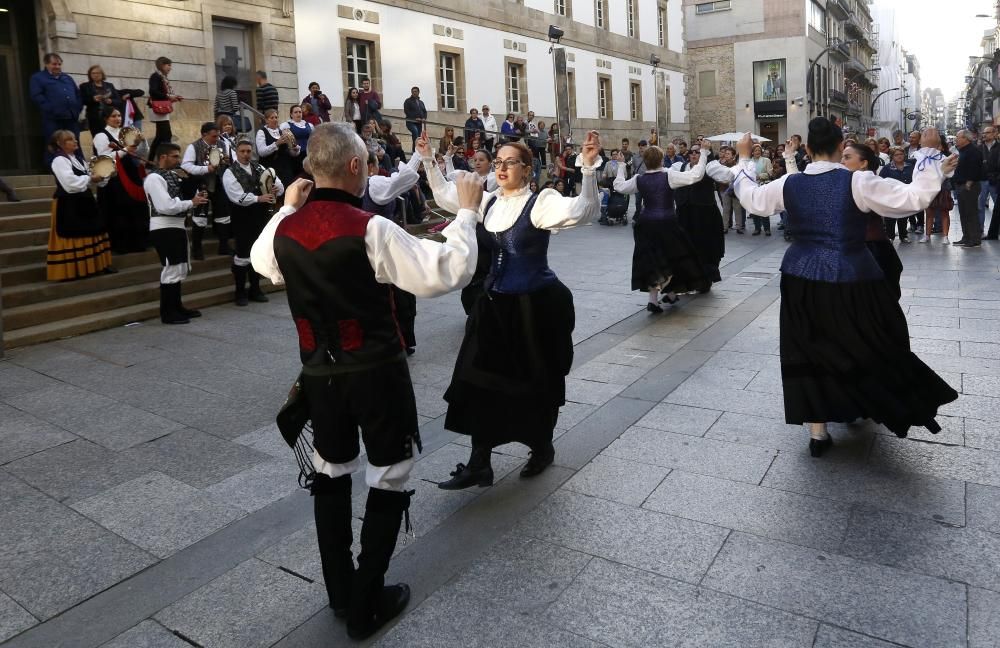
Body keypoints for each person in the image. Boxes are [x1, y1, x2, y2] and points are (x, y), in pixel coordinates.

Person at [249, 122, 479, 640]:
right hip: (375, 372)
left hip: (319, 376)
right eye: (366, 162)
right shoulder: (369, 228)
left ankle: (340, 589)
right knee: (389, 472)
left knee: (330, 473)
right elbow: (444, 271)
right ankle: (366, 601)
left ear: (311, 169)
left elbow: (264, 261)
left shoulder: (285, 230)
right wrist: (465, 213)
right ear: (355, 166)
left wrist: (288, 205)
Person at [732, 120, 959, 454]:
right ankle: (863, 401)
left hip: (800, 277)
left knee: (808, 347)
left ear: (807, 150)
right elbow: (911, 199)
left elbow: (751, 199)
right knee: (866, 342)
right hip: (852, 278)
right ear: (841, 148)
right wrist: (928, 156)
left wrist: (742, 159)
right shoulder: (858, 181)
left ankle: (818, 431)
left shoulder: (787, 184)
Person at [421, 131, 602, 489]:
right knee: (478, 382)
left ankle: (541, 447)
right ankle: (479, 462)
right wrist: (428, 159)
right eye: (498, 162)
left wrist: (589, 170)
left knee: (534, 384)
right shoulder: (486, 202)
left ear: (527, 168)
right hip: (492, 307)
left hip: (534, 309)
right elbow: (445, 195)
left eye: (510, 162)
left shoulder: (542, 202)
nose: (501, 167)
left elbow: (585, 210)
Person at [614, 144, 711, 311]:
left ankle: (658, 298)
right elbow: (695, 175)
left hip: (646, 224)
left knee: (652, 260)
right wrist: (703, 153)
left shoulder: (639, 178)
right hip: (667, 224)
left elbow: (619, 186)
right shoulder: (668, 176)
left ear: (645, 161)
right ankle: (667, 295)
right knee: (675, 258)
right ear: (661, 159)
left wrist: (621, 166)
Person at [361, 150, 426, 353]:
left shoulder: (352, 186)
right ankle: (398, 341)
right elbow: (404, 180)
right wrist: (418, 155)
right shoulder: (374, 183)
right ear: (371, 166)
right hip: (385, 246)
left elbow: (400, 179)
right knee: (398, 298)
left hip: (364, 245)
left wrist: (417, 155)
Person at [145, 142, 210, 323]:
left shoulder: (172, 175)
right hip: (163, 228)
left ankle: (177, 306)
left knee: (179, 267)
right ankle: (168, 313)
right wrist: (191, 203)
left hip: (176, 226)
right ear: (163, 157)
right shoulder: (154, 179)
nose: (178, 160)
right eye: (174, 156)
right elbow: (165, 206)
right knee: (171, 268)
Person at [837, 142, 906, 299]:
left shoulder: (870, 183)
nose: (842, 161)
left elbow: (908, 200)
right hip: (862, 249)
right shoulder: (848, 182)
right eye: (842, 157)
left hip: (872, 249)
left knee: (876, 298)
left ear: (863, 163)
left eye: (847, 157)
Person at [46, 130, 114, 281]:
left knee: (95, 229)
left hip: (85, 200)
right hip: (69, 202)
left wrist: (104, 174)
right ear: (59, 143)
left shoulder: (78, 159)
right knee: (74, 233)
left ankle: (98, 265)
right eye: (70, 140)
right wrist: (91, 178)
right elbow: (70, 184)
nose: (75, 141)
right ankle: (75, 270)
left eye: (75, 139)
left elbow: (93, 177)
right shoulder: (59, 160)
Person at [226, 138, 284, 305]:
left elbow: (279, 184)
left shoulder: (259, 167)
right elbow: (236, 195)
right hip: (242, 217)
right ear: (236, 152)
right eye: (242, 151)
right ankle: (240, 292)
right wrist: (259, 197)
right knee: (243, 253)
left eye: (248, 151)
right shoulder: (231, 171)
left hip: (260, 216)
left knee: (257, 252)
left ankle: (255, 289)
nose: (246, 154)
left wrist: (274, 188)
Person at [672, 145, 732, 286]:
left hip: (704, 216)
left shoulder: (709, 167)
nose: (694, 154)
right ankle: (686, 278)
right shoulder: (680, 167)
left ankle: (704, 279)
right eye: (691, 152)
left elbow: (726, 176)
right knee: (685, 247)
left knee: (704, 248)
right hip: (684, 215)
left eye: (697, 152)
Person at [93, 106, 149, 254]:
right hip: (115, 177)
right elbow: (104, 158)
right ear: (106, 118)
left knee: (136, 207)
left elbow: (141, 153)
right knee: (118, 210)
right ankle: (120, 245)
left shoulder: (125, 133)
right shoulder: (101, 136)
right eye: (113, 116)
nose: (118, 118)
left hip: (131, 173)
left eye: (118, 116)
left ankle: (138, 242)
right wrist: (124, 151)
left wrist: (142, 142)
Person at [181, 122, 228, 260]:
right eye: (214, 136)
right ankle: (197, 249)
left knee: (223, 215)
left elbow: (223, 160)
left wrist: (226, 161)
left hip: (218, 182)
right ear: (204, 135)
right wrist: (205, 169)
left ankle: (224, 246)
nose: (216, 139)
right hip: (201, 184)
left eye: (218, 136)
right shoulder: (193, 147)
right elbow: (186, 166)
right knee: (200, 216)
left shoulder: (221, 144)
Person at [31, 54, 83, 160]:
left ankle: (80, 168)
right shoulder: (38, 78)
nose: (57, 66)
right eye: (54, 64)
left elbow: (77, 95)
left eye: (59, 64)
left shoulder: (67, 78)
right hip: (53, 119)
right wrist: (51, 109)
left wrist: (77, 109)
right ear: (46, 64)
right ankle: (55, 170)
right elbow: (37, 96)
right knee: (54, 145)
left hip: (71, 118)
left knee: (75, 144)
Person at [952, 129, 985, 247]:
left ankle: (975, 239)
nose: (956, 139)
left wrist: (969, 183)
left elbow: (975, 168)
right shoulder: (962, 150)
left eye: (958, 137)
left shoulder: (974, 151)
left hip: (969, 186)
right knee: (963, 213)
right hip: (961, 185)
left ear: (966, 139)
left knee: (971, 213)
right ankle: (966, 237)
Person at [148, 57, 183, 162]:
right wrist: (168, 97)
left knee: (160, 136)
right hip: (158, 108)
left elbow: (162, 93)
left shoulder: (161, 77)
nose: (170, 68)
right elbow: (153, 92)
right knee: (166, 135)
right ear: (162, 65)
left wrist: (173, 98)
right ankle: (169, 159)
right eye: (168, 65)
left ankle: (152, 161)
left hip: (162, 108)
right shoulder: (156, 76)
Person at [257, 108, 301, 188]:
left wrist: (295, 149)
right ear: (266, 120)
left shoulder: (282, 131)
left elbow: (291, 153)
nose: (275, 120)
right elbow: (261, 152)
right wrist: (277, 144)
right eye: (272, 118)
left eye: (276, 117)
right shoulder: (262, 132)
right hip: (271, 167)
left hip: (285, 167)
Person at [878, 147, 913, 243]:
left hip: (905, 195)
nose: (899, 156)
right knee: (890, 218)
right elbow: (880, 181)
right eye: (896, 155)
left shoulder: (909, 166)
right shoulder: (887, 168)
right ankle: (890, 236)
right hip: (891, 196)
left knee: (903, 217)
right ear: (892, 156)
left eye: (901, 154)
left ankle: (903, 235)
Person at [79, 65, 121, 137]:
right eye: (93, 73)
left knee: (112, 138)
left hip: (110, 117)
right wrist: (93, 99)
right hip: (95, 118)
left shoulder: (109, 85)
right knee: (97, 138)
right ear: (90, 75)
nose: (96, 75)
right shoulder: (85, 86)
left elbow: (118, 101)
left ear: (102, 74)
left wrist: (111, 101)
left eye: (98, 73)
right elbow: (82, 100)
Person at [718, 146, 745, 234]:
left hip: (735, 189)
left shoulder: (737, 165)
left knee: (737, 209)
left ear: (733, 156)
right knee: (726, 209)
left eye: (728, 154)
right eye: (725, 153)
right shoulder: (721, 165)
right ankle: (724, 227)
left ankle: (739, 227)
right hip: (724, 189)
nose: (726, 155)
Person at [979, 125, 1000, 239]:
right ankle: (980, 231)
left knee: (998, 207)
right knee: (980, 206)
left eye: (987, 133)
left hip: (995, 181)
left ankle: (996, 230)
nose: (984, 135)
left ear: (994, 134)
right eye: (984, 133)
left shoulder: (998, 147)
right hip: (982, 180)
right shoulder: (979, 147)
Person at [283, 105, 314, 176]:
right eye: (296, 112)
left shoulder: (309, 125)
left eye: (300, 112)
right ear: (291, 114)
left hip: (308, 154)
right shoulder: (286, 125)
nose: (298, 114)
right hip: (295, 156)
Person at [748, 144, 773, 235]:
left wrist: (759, 176)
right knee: (754, 208)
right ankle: (757, 228)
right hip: (752, 187)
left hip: (763, 185)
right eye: (755, 150)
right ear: (752, 152)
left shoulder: (766, 160)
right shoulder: (749, 162)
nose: (757, 152)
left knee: (764, 207)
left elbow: (770, 173)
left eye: (759, 150)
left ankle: (767, 228)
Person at [402, 87, 427, 152]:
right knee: (415, 132)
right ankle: (415, 150)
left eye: (416, 91)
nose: (414, 93)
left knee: (418, 137)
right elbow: (407, 111)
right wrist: (414, 118)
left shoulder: (421, 102)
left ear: (418, 92)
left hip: (419, 123)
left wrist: (424, 118)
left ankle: (418, 151)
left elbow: (424, 111)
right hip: (411, 122)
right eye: (413, 92)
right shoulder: (408, 101)